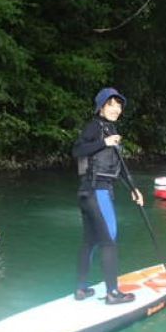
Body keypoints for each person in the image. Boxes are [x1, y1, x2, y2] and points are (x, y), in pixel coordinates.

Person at [72, 88, 144, 305]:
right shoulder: (95, 127)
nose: (116, 109)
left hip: (87, 192)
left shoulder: (110, 129)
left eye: (119, 105)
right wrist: (105, 142)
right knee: (109, 241)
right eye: (111, 104)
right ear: (101, 107)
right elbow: (77, 150)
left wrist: (133, 188)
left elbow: (118, 166)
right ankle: (112, 294)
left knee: (90, 241)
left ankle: (81, 290)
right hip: (97, 192)